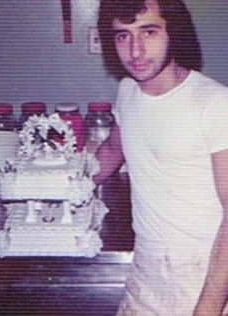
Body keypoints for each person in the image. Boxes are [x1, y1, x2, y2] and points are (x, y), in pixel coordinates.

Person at [95, 0, 228, 315]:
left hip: (206, 278)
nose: (135, 51)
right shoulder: (128, 90)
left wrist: (207, 309)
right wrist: (56, 181)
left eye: (149, 32)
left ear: (175, 33)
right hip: (146, 276)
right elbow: (113, 151)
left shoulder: (215, 104)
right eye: (122, 36)